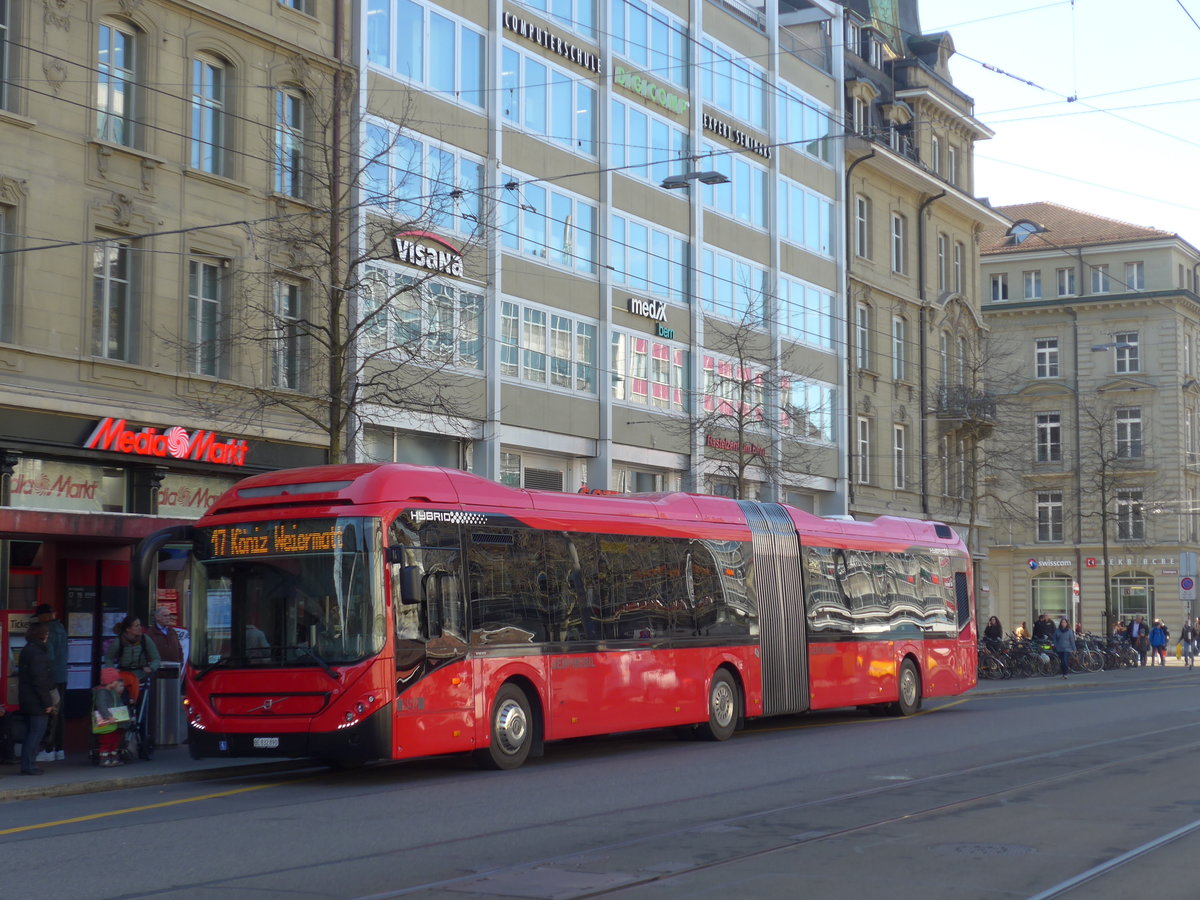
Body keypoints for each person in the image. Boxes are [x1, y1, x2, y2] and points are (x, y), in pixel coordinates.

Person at [102, 615, 161, 759]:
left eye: (140, 625)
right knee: (122, 710)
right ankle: (119, 744)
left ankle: (142, 746)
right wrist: (112, 672)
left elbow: (156, 658)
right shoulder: (119, 641)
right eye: (136, 626)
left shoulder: (146, 640)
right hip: (123, 678)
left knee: (141, 713)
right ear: (128, 629)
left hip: (140, 677)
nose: (140, 628)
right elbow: (109, 658)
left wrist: (151, 667)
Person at [17, 622, 56, 775]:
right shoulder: (38, 653)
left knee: (31, 732)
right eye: (46, 633)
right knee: (36, 733)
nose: (47, 636)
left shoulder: (28, 650)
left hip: (27, 698)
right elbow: (40, 680)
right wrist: (47, 702)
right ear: (43, 635)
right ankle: (29, 765)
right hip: (36, 701)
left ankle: (28, 764)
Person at [35, 603, 68, 762]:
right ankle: (59, 749)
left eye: (40, 617)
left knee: (50, 713)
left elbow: (50, 657)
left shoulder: (49, 631)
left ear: (46, 616)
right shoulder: (61, 628)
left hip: (52, 678)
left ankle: (48, 749)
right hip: (62, 676)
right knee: (59, 714)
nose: (39, 621)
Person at [92, 667, 131, 767]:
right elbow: (101, 706)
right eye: (116, 681)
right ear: (111, 681)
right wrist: (108, 716)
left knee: (114, 740)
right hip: (107, 722)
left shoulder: (112, 692)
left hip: (114, 723)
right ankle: (104, 758)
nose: (117, 683)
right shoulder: (102, 692)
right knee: (106, 741)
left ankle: (113, 758)